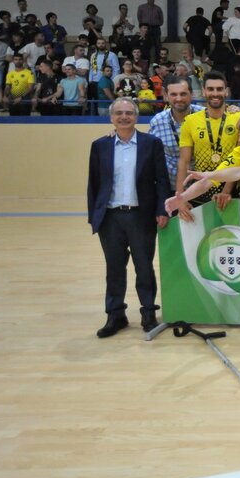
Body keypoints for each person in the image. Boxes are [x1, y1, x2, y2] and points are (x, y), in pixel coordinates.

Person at [87, 98, 171, 337]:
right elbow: (94, 184)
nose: (124, 117)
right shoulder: (100, 145)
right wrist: (95, 216)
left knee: (144, 267)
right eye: (119, 113)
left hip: (141, 216)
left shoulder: (151, 143)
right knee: (114, 268)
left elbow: (162, 180)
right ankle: (115, 315)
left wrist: (161, 210)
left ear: (136, 116)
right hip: (110, 218)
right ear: (111, 117)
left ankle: (148, 313)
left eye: (129, 113)